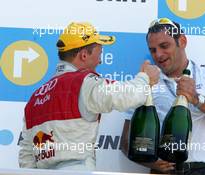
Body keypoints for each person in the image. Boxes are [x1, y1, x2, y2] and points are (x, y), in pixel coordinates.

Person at [18, 22, 160, 171]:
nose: (100, 61)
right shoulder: (83, 82)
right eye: (99, 54)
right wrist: (145, 78)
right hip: (76, 170)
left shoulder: (35, 98)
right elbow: (126, 96)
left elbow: (26, 156)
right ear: (84, 55)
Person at [122, 18, 205, 175]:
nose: (158, 54)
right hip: (163, 172)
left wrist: (197, 99)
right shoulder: (145, 82)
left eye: (164, 46)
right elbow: (126, 141)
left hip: (204, 170)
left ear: (182, 41)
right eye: (152, 50)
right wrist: (151, 161)